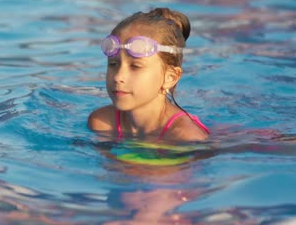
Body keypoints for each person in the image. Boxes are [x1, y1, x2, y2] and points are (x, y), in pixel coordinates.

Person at [88, 8, 209, 142]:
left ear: (170, 77)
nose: (118, 77)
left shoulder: (185, 137)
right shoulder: (102, 123)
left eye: (135, 66)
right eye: (113, 64)